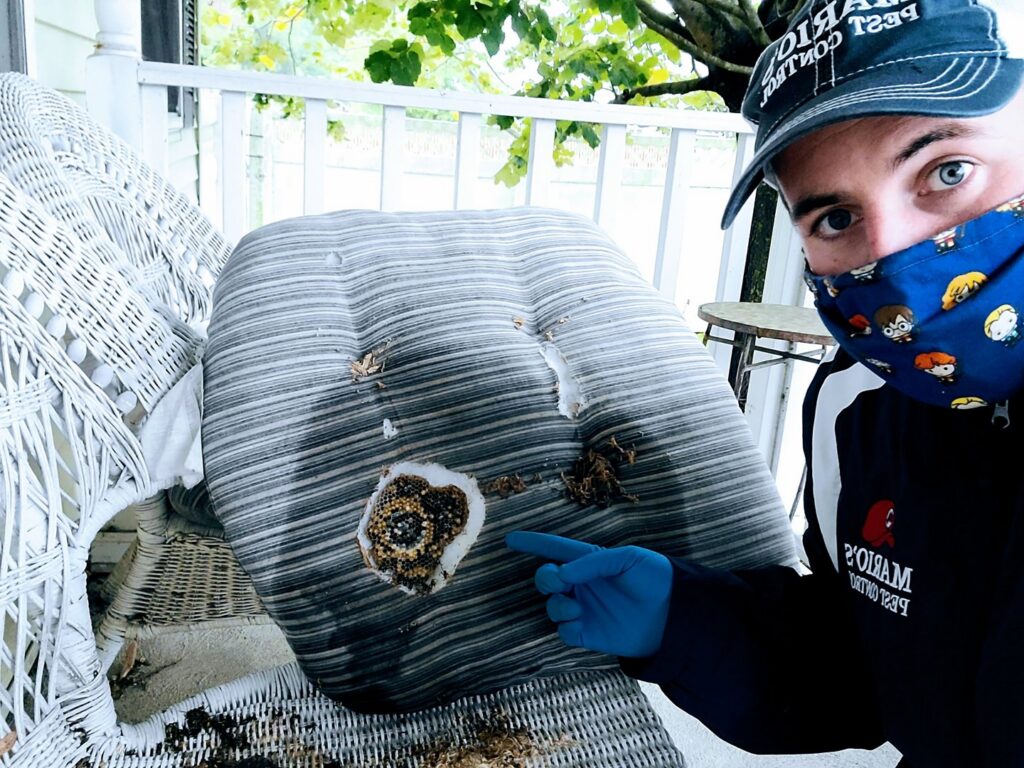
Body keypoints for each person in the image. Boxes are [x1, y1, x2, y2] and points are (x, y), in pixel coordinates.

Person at [506, 1, 1024, 765]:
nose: (896, 254)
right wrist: (686, 619)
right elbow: (869, 667)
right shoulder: (854, 406)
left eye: (946, 171)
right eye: (834, 219)